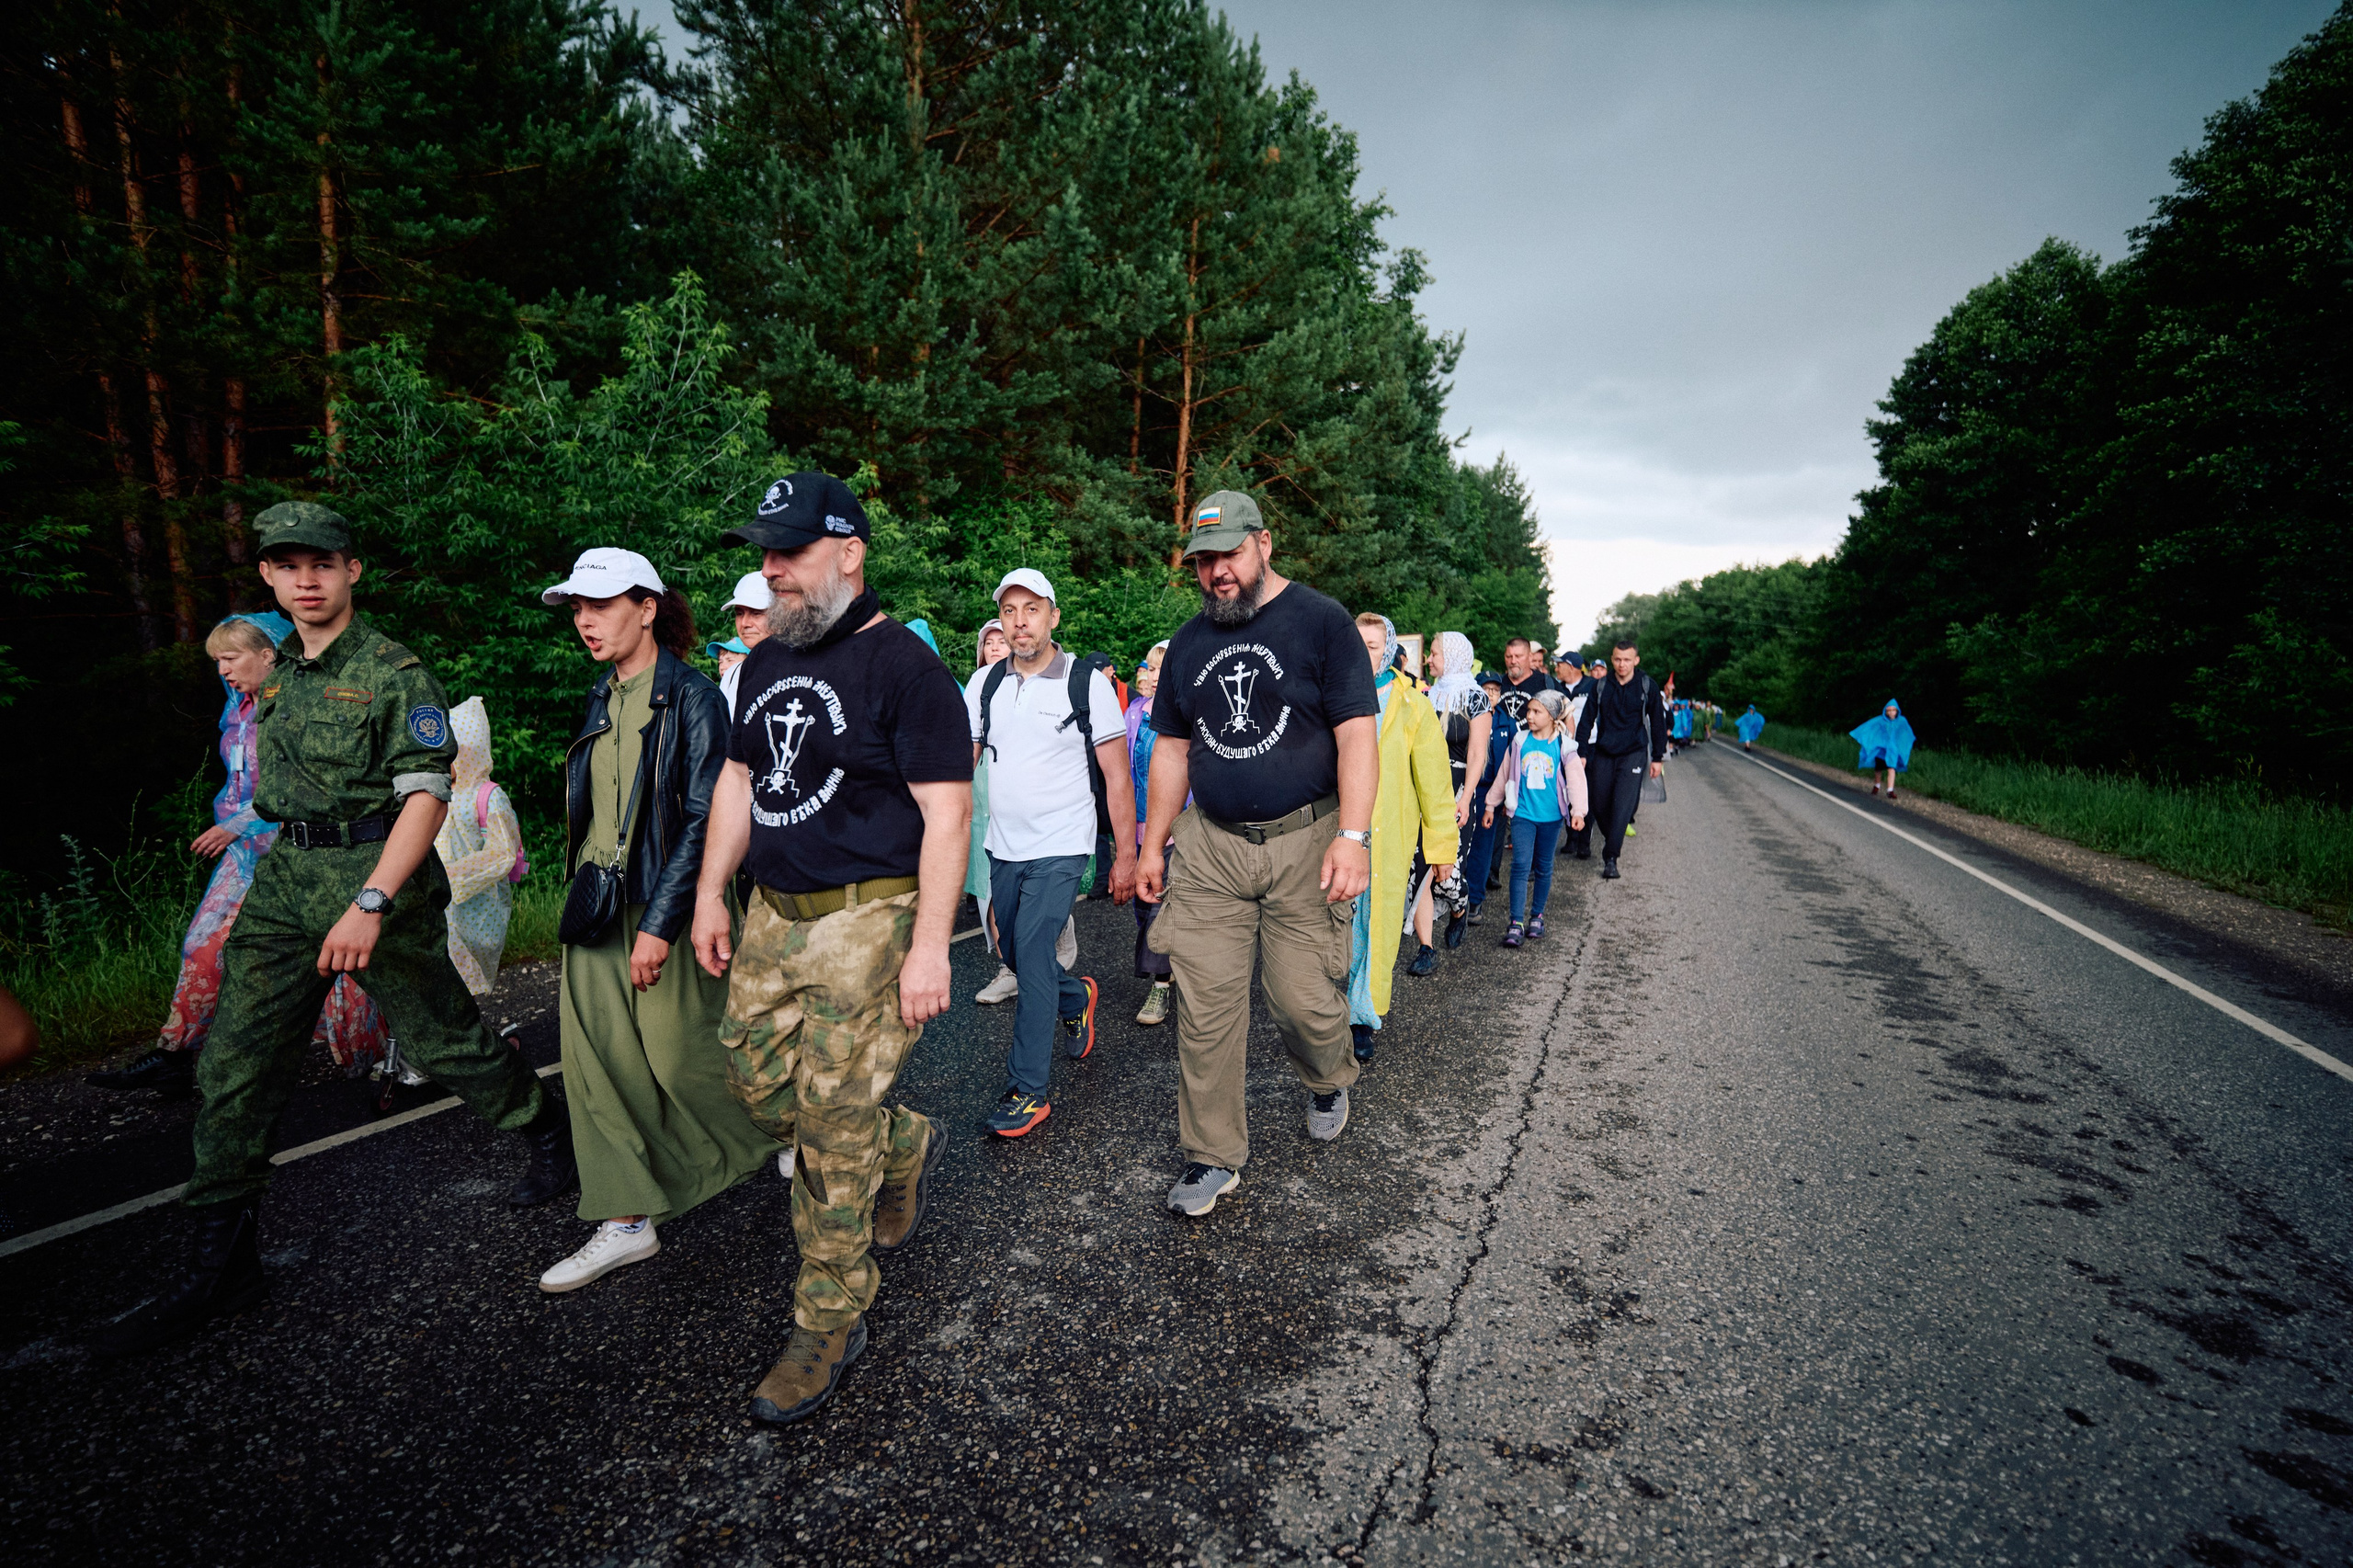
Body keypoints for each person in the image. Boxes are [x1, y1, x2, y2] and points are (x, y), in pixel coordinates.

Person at [94, 503, 571, 1360]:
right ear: (268, 577)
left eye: (322, 563)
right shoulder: (277, 677)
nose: (306, 580)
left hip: (374, 880)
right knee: (236, 1064)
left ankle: (547, 1130)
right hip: (284, 887)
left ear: (352, 570)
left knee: (445, 1041)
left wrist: (373, 901)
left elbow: (426, 796)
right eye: (288, 566)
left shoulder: (394, 672)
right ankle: (221, 1263)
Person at [691, 471, 972, 1426]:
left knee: (834, 1124)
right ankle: (906, 1140)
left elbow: (948, 816)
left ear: (849, 552)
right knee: (758, 1086)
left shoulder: (907, 669)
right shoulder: (768, 659)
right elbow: (739, 781)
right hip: (773, 912)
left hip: (870, 919)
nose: (773, 570)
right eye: (766, 553)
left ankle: (827, 1318)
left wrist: (930, 946)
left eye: (792, 552)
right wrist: (711, 894)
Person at [535, 549, 774, 1293]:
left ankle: (802, 1132)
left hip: (666, 902)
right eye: (578, 608)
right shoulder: (600, 694)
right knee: (597, 1065)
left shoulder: (695, 697)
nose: (585, 620)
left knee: (683, 1057)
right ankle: (626, 1218)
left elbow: (707, 819)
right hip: (597, 904)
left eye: (601, 605)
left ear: (646, 608)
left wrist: (663, 923)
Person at [1136, 490, 1377, 1218]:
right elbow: (1171, 749)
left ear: (1264, 544)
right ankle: (1212, 1156)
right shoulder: (1188, 643)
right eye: (1203, 561)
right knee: (1205, 1009)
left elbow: (1357, 736)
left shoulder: (1322, 623)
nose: (1217, 573)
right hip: (1211, 848)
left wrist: (1353, 837)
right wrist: (1151, 844)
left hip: (1308, 842)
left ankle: (1328, 1077)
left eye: (1231, 555)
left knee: (1301, 1002)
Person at [89, 611, 391, 1095]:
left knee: (341, 958)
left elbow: (308, 787)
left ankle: (395, 1050)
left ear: (269, 655)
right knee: (204, 946)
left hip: (309, 850)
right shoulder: (238, 710)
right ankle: (175, 1054)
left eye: (230, 658)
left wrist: (238, 824)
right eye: (217, 661)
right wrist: (236, 828)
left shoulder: (301, 706)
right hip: (246, 855)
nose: (222, 670)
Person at [963, 569, 1134, 1139]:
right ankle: (1075, 995)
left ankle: (1028, 1091)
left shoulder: (1085, 683)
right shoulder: (984, 684)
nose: (1020, 622)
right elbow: (963, 766)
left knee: (1034, 952)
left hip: (1063, 844)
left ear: (1053, 616)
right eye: (1009, 611)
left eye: (1031, 609)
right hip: (1003, 845)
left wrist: (1126, 856)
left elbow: (1116, 777)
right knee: (1014, 953)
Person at [1344, 616, 1455, 1066]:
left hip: (1388, 836)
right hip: (1335, 831)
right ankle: (1331, 1010)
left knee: (1377, 924)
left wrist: (1441, 848)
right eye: (1356, 642)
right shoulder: (1329, 694)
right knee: (1337, 922)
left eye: (1372, 645)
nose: (1362, 651)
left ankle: (1362, 1018)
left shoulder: (1412, 705)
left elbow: (1435, 782)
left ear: (1387, 650)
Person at [434, 697, 525, 1000]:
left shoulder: (488, 796)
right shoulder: (437, 793)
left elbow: (502, 852)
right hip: (437, 899)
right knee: (439, 971)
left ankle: (467, 1022)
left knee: (465, 976)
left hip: (475, 902)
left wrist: (454, 877)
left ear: (468, 752)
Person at [1486, 690, 1587, 945]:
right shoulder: (1520, 741)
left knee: (1543, 867)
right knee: (1520, 865)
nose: (1529, 716)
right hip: (1523, 814)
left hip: (1552, 818)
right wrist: (1490, 805)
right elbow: (1504, 774)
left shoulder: (1564, 745)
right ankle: (1515, 922)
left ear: (1552, 716)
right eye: (1528, 711)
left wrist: (1578, 811)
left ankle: (1537, 916)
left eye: (1536, 712)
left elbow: (1576, 780)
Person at [1573, 638, 1667, 881]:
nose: (1622, 664)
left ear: (1636, 660)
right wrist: (1581, 752)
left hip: (1634, 753)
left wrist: (1658, 757)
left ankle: (1611, 858)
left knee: (1622, 806)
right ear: (1612, 660)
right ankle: (1613, 838)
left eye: (1627, 660)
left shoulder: (1647, 685)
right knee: (1598, 804)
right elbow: (1586, 720)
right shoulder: (1601, 685)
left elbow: (1658, 722)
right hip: (1604, 752)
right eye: (1617, 659)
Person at [1421, 631, 1489, 955]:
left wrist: (1465, 797)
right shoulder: (1428, 695)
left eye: (1434, 653)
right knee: (1422, 864)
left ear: (1452, 657)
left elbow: (1477, 754)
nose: (1428, 660)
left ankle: (1460, 908)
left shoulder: (1476, 698)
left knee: (1448, 871)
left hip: (1457, 786)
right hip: (1427, 787)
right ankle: (1425, 947)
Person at [1127, 639, 1176, 1026]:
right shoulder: (1134, 713)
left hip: (1177, 831)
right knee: (1143, 908)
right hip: (1138, 827)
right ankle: (1173, 968)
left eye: (1164, 667)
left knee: (1161, 906)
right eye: (1152, 668)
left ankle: (1160, 986)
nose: (1156, 675)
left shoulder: (1188, 712)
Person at [1459, 670, 1517, 915]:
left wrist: (1506, 798)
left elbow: (1514, 763)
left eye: (1495, 690)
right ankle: (1454, 895)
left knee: (1483, 847)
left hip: (1491, 793)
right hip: (1465, 787)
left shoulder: (1507, 722)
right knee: (1460, 844)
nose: (1491, 694)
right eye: (1486, 689)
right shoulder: (1464, 715)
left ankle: (1475, 900)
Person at [717, 572, 774, 718]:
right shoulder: (732, 675)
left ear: (781, 613)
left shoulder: (803, 668)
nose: (744, 623)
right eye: (739, 613)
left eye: (756, 613)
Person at [1852, 699, 1915, 799]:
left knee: (1891, 768)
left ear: (1897, 711)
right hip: (1881, 750)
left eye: (1893, 710)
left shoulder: (1901, 721)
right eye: (1888, 710)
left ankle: (1890, 790)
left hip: (1893, 750)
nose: (1891, 712)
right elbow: (1870, 728)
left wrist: (1901, 745)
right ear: (1885, 711)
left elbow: (1906, 734)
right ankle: (1877, 786)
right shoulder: (1880, 720)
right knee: (1878, 768)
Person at [1493, 637, 1558, 725]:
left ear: (1529, 657)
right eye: (1509, 656)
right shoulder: (1495, 683)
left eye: (1518, 656)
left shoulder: (1546, 683)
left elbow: (1567, 717)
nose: (1513, 661)